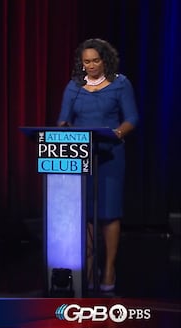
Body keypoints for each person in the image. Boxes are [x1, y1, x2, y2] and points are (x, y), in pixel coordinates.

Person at [57, 38, 139, 292]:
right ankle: (89, 269)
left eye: (95, 61)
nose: (90, 66)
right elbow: (63, 121)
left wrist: (117, 133)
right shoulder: (74, 87)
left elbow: (132, 118)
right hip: (82, 159)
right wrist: (65, 134)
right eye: (86, 62)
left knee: (109, 213)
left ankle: (110, 269)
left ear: (105, 60)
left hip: (110, 156)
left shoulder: (120, 84)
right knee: (86, 215)